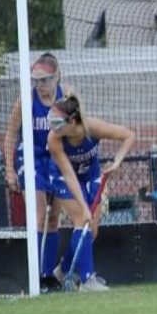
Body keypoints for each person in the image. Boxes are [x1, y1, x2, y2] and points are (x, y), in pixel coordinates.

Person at [47, 92, 135, 292]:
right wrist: (84, 209)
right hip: (63, 177)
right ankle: (87, 281)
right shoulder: (54, 139)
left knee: (91, 232)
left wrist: (117, 161)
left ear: (73, 121)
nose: (53, 128)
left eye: (58, 124)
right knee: (81, 218)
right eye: (51, 123)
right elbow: (69, 176)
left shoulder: (92, 127)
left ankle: (62, 271)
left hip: (90, 176)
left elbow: (129, 136)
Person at [4, 53, 69, 291]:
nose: (40, 86)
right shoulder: (26, 100)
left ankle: (48, 274)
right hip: (31, 158)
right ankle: (36, 276)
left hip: (56, 157)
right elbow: (11, 134)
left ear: (57, 76)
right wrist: (10, 170)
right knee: (39, 216)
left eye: (45, 80)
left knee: (54, 219)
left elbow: (76, 134)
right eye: (36, 81)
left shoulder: (67, 97)